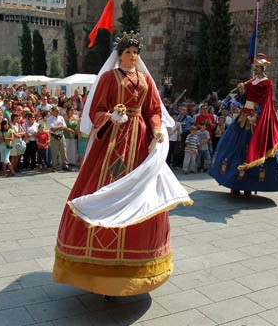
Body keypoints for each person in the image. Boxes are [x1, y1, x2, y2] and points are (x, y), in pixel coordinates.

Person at [52, 32, 192, 298]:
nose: (133, 57)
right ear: (119, 55)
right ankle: (99, 272)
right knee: (102, 187)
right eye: (129, 52)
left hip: (138, 142)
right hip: (112, 142)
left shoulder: (146, 79)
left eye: (136, 53)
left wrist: (157, 129)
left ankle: (133, 270)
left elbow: (153, 110)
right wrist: (110, 116)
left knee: (141, 195)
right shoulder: (107, 78)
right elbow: (95, 110)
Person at [208, 53, 278, 195]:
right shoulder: (253, 80)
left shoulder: (267, 83)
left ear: (263, 68)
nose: (255, 69)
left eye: (257, 67)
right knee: (233, 146)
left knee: (250, 147)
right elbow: (245, 99)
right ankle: (234, 183)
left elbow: (266, 101)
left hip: (254, 117)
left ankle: (250, 185)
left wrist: (257, 115)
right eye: (255, 67)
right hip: (244, 114)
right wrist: (243, 90)